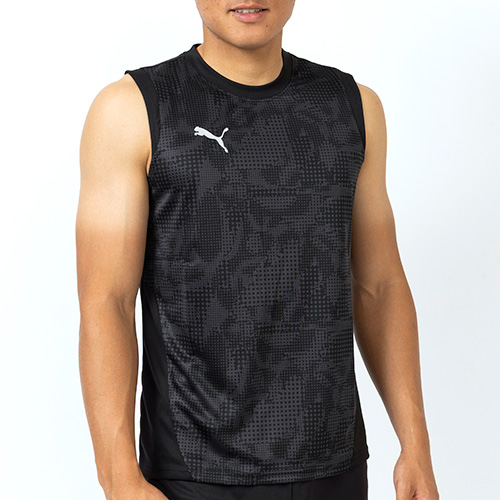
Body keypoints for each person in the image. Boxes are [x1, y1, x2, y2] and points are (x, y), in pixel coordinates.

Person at [76, 1, 440, 499]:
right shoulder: (132, 109)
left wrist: (416, 445)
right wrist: (118, 478)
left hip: (332, 463)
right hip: (193, 470)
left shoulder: (354, 106)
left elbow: (380, 285)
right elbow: (106, 302)